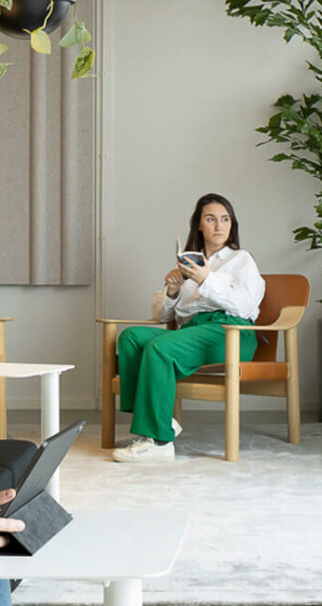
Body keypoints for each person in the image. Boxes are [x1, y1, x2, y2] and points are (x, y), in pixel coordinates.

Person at [112, 192, 265, 462]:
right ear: (199, 225)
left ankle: (159, 443)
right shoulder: (190, 263)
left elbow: (244, 306)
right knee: (132, 338)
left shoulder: (242, 260)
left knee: (160, 348)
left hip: (231, 332)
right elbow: (164, 316)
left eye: (225, 219)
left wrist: (207, 279)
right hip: (195, 331)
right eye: (211, 219)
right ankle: (161, 421)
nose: (219, 226)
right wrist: (172, 291)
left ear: (232, 225)